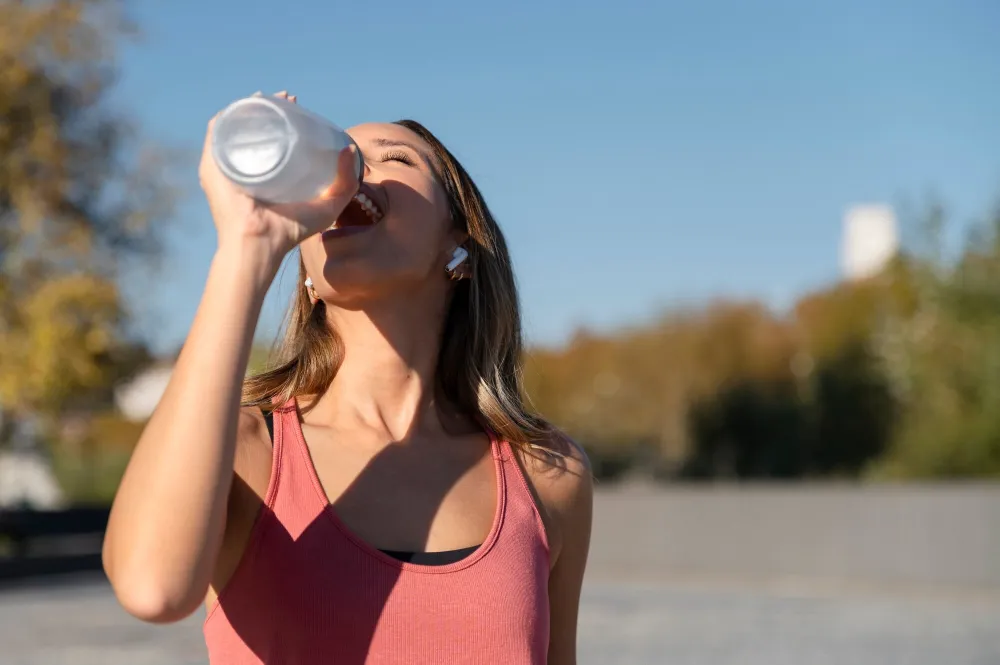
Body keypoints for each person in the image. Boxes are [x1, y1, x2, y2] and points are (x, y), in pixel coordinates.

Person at [103, 91, 593, 665]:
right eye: (340, 156)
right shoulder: (246, 452)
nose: (351, 172)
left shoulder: (546, 472)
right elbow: (152, 588)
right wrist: (248, 247)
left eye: (394, 158)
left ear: (457, 238)